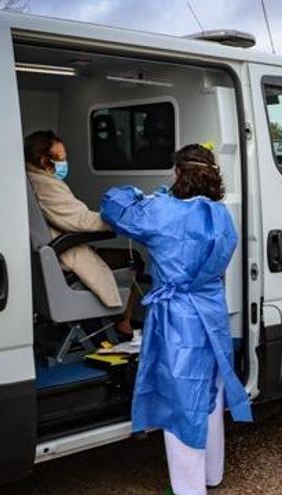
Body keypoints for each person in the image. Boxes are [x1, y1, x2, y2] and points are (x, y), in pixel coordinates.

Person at [100, 144, 252, 495]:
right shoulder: (221, 215)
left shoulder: (162, 212)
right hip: (211, 313)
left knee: (181, 401)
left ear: (178, 175)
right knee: (210, 398)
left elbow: (113, 204)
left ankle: (188, 488)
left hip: (177, 318)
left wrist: (141, 193)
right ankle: (211, 475)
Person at [24, 130, 141, 335]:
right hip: (63, 255)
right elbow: (81, 220)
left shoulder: (29, 178)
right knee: (134, 258)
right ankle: (123, 322)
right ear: (44, 161)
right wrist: (121, 218)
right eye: (61, 159)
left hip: (54, 250)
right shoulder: (46, 186)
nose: (64, 164)